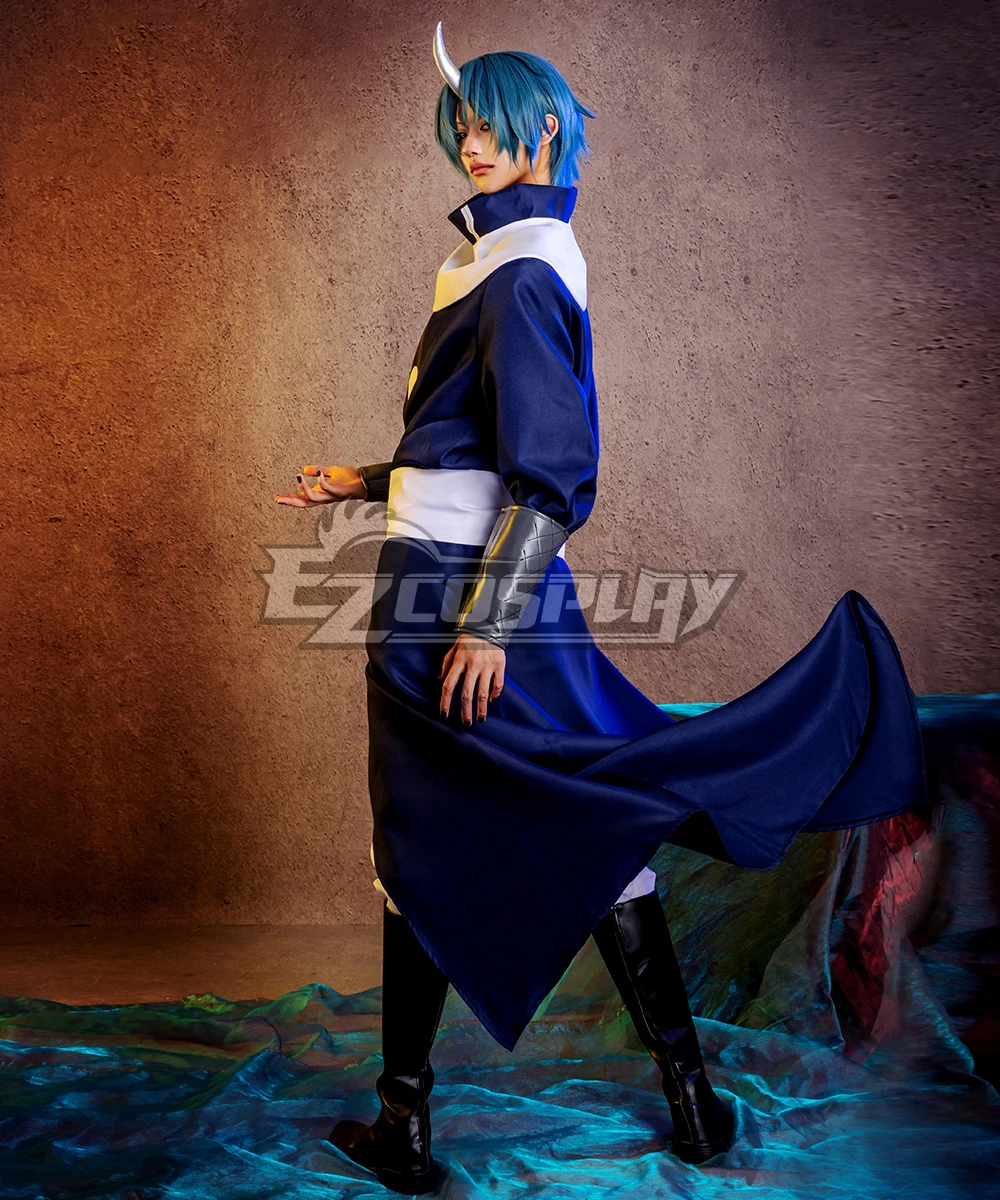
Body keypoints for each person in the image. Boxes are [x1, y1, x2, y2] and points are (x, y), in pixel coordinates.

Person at [275, 22, 928, 1195]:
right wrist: (366, 480)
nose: (471, 145)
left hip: (468, 597)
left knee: (469, 832)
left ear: (542, 129)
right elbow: (470, 438)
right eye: (460, 127)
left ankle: (430, 1121)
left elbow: (552, 473)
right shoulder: (496, 258)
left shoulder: (525, 265)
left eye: (490, 124)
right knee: (528, 820)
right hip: (438, 580)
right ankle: (655, 1106)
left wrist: (488, 621)